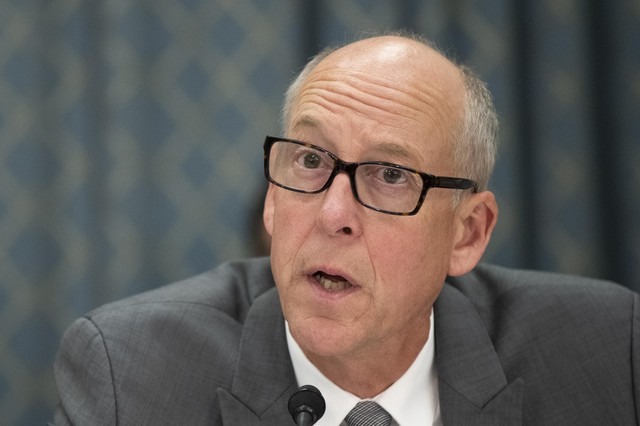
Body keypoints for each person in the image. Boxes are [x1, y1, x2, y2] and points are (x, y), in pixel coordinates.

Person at [51, 33, 639, 425]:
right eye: (310, 160)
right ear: (272, 204)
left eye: (390, 175)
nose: (333, 215)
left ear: (467, 234)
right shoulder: (128, 377)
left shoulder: (611, 351)